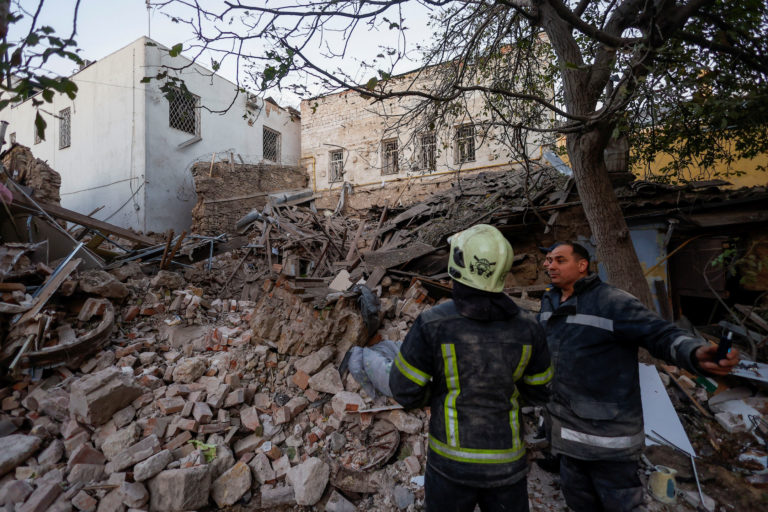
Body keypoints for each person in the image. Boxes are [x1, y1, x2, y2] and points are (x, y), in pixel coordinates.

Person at [539, 241, 739, 512]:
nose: (549, 265)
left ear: (582, 265)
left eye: (559, 260)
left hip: (608, 439)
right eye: (548, 260)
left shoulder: (612, 301)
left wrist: (694, 353)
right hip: (566, 434)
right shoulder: (550, 300)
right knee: (578, 500)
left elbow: (659, 334)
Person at [389, 224, 553, 512]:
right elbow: (541, 390)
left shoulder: (433, 324)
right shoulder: (530, 326)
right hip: (508, 466)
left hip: (450, 466)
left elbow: (404, 390)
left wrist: (439, 393)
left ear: (458, 263)